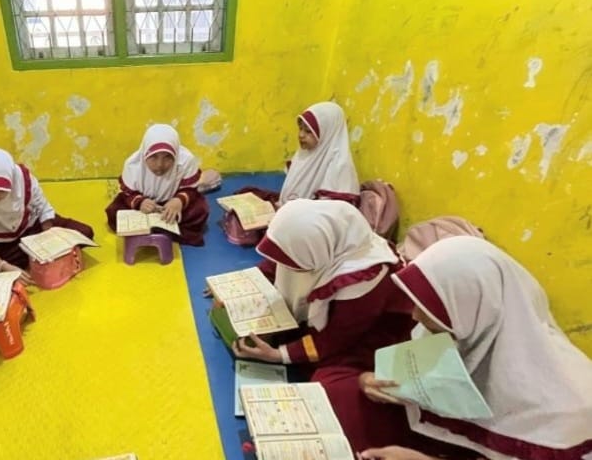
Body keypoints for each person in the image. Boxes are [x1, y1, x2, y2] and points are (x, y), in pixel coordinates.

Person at [358, 236, 592, 460]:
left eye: (432, 308)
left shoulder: (571, 408)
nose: (416, 316)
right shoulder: (465, 339)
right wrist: (368, 382)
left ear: (474, 309)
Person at [231, 199, 416, 450]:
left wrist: (279, 355)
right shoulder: (325, 242)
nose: (286, 266)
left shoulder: (363, 281)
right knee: (272, 324)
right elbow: (277, 260)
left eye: (294, 258)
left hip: (367, 339)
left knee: (327, 388)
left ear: (316, 249)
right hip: (339, 327)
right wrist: (241, 286)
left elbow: (336, 338)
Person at [0, 148, 94, 284]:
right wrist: (3, 266)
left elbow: (42, 207)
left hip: (33, 225)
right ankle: (24, 260)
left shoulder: (22, 180)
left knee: (84, 232)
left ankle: (30, 257)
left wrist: (48, 238)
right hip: (1, 245)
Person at [236, 101, 360, 207]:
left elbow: (329, 212)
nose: (301, 135)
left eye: (308, 131)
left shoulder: (339, 166)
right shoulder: (304, 155)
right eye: (300, 129)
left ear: (327, 133)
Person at [105, 123, 209, 246]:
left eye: (168, 157)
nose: (160, 164)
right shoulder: (133, 165)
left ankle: (149, 230)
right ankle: (166, 229)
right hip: (143, 207)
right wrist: (140, 202)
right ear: (145, 153)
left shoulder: (185, 161)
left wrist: (178, 201)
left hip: (171, 205)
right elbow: (128, 193)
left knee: (200, 209)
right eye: (153, 157)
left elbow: (190, 190)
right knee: (114, 211)